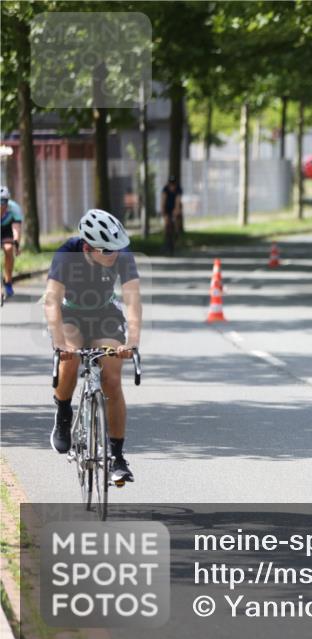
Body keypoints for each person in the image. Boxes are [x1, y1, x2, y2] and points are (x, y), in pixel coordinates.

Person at [45, 209, 142, 484]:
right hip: (72, 314)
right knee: (71, 360)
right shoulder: (67, 254)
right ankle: (64, 412)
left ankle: (118, 457)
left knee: (112, 378)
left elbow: (132, 299)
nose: (115, 255)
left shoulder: (121, 253)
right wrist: (59, 341)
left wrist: (132, 340)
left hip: (104, 314)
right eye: (107, 251)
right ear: (88, 247)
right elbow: (52, 300)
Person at [1, 186, 24, 299]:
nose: (2, 205)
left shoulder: (14, 208)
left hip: (7, 230)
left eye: (4, 201)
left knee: (9, 248)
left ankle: (8, 281)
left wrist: (17, 245)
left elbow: (16, 230)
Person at [160, 175, 183, 253]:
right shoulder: (165, 189)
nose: (172, 186)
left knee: (176, 221)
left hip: (175, 207)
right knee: (166, 224)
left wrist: (176, 211)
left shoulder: (178, 189)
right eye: (171, 184)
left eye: (173, 184)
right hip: (167, 208)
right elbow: (163, 200)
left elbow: (178, 200)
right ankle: (165, 241)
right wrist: (163, 211)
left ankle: (177, 235)